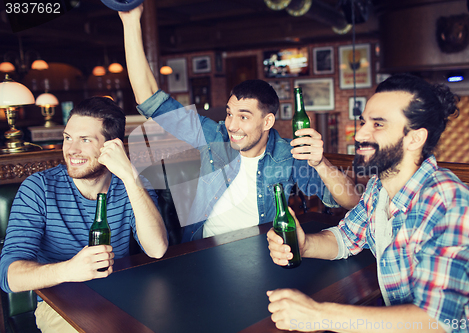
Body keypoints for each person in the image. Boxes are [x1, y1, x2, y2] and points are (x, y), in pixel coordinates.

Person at [267, 74, 469, 332]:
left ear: (415, 138)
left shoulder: (450, 206)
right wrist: (304, 244)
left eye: (378, 125)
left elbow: (434, 321)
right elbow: (345, 238)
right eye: (364, 121)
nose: (361, 133)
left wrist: (318, 314)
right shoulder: (379, 188)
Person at [119, 5, 361, 243]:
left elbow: (351, 201)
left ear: (267, 121)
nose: (232, 125)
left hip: (260, 250)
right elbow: (149, 99)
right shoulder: (213, 135)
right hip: (202, 250)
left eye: (243, 116)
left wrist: (321, 163)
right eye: (229, 113)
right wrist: (130, 22)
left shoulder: (287, 155)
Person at [0, 97, 168, 332]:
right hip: (60, 305)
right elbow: (10, 277)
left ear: (112, 146)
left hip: (125, 296)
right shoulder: (38, 188)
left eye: (85, 140)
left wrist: (130, 177)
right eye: (67, 138)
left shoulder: (133, 185)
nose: (71, 149)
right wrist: (70, 269)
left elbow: (157, 248)